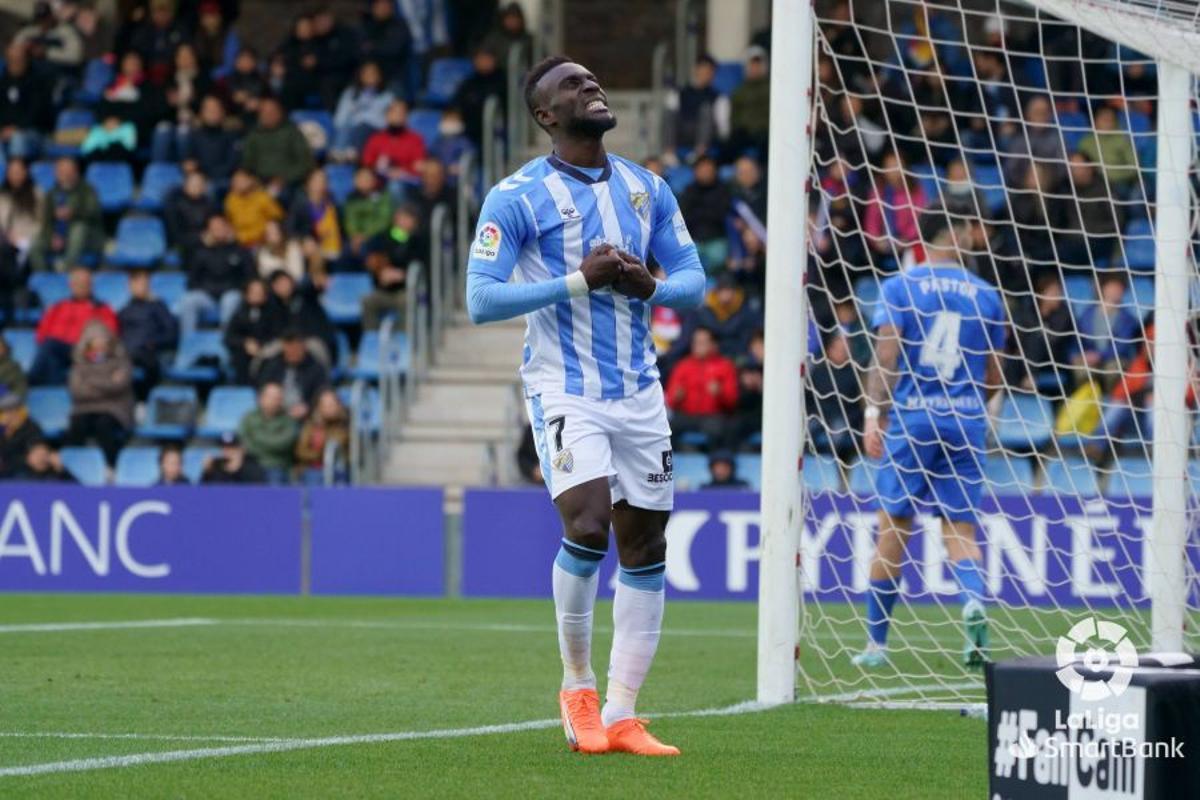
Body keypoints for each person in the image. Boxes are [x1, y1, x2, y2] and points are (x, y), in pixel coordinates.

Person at [465, 56, 704, 756]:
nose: (590, 86)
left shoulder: (645, 187)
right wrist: (579, 281)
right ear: (546, 116)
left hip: (639, 390)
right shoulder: (516, 196)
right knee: (590, 525)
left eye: (593, 78)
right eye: (571, 85)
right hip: (563, 386)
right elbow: (481, 298)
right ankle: (578, 690)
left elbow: (693, 280)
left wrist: (647, 286)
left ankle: (625, 714)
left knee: (645, 545)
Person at [855, 212, 1007, 670]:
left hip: (913, 419)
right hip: (966, 420)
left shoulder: (902, 286)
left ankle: (877, 646)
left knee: (894, 529)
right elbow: (996, 372)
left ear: (923, 238)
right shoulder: (986, 294)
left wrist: (872, 415)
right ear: (958, 235)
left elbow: (886, 357)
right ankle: (972, 603)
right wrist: (968, 403)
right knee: (959, 529)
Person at [29, 267, 118, 385]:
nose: (81, 286)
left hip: (87, 351)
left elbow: (111, 335)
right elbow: (41, 334)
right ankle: (57, 393)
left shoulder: (102, 308)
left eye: (85, 283)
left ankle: (31, 380)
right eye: (77, 283)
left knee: (50, 348)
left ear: (91, 285)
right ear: (71, 285)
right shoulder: (58, 307)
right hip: (59, 351)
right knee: (51, 357)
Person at [64, 321, 134, 466]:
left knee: (104, 425)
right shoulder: (79, 364)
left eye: (103, 341)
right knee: (77, 425)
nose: (100, 346)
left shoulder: (121, 362)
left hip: (113, 409)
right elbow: (77, 391)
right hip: (84, 408)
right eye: (95, 342)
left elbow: (118, 386)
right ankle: (73, 466)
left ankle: (111, 466)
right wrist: (106, 383)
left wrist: (90, 382)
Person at [179, 213, 256, 335]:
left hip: (231, 294)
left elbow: (250, 277)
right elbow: (192, 281)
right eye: (214, 228)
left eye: (221, 227)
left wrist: (237, 288)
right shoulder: (201, 252)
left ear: (228, 228)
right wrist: (209, 289)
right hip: (208, 296)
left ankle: (226, 340)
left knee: (230, 300)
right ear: (208, 231)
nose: (218, 231)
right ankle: (188, 342)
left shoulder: (240, 251)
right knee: (189, 300)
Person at [665, 327, 739, 451]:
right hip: (686, 416)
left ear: (713, 345)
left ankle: (717, 465)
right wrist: (676, 396)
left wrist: (719, 393)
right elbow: (671, 401)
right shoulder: (683, 366)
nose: (698, 346)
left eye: (703, 342)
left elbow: (732, 402)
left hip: (713, 416)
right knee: (667, 430)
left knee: (718, 430)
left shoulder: (725, 366)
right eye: (696, 342)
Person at [29, 157, 104, 272]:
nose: (64, 175)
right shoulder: (51, 194)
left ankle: (65, 270)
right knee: (35, 245)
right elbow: (47, 220)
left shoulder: (87, 190)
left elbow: (93, 212)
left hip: (87, 238)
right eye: (61, 172)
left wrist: (73, 213)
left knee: (78, 229)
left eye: (68, 171)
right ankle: (43, 277)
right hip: (58, 235)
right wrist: (52, 236)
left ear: (75, 172)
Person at [118, 268, 178, 397]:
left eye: (144, 284)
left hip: (149, 351)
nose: (142, 287)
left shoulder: (158, 307)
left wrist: (154, 342)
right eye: (137, 283)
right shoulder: (124, 311)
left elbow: (171, 334)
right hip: (126, 351)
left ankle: (145, 399)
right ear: (130, 286)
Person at [241, 97, 315, 196]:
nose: (268, 115)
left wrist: (284, 179)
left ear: (280, 112)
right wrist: (246, 177)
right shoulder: (254, 135)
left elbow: (306, 162)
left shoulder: (292, 132)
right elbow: (247, 163)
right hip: (259, 182)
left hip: (289, 184)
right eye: (264, 112)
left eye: (272, 111)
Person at [362, 204, 419, 330]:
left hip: (405, 290)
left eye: (408, 219)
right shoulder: (382, 238)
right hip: (384, 290)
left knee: (407, 302)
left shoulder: (418, 240)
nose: (404, 222)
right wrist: (380, 272)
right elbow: (369, 258)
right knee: (367, 301)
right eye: (402, 218)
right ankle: (373, 341)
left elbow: (422, 267)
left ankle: (404, 340)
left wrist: (402, 275)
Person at [254, 329, 329, 421]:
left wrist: (308, 406)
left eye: (296, 349)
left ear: (303, 347)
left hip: (307, 415)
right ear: (284, 347)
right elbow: (262, 387)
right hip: (276, 413)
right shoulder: (273, 365)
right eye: (290, 349)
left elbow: (322, 391)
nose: (293, 352)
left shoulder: (315, 368)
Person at [286, 169, 342, 287]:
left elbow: (341, 229)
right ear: (308, 184)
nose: (320, 184)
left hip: (331, 244)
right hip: (308, 244)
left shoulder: (333, 205)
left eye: (323, 181)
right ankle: (315, 284)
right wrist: (303, 240)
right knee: (314, 252)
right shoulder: (299, 205)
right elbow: (290, 229)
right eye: (316, 181)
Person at [667, 54, 728, 162]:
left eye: (708, 71)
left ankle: (700, 152)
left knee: (706, 109)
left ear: (713, 74)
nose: (704, 74)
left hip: (707, 146)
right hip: (682, 140)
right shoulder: (679, 94)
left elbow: (723, 129)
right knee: (670, 113)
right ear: (696, 70)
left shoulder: (719, 98)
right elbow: (670, 121)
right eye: (702, 70)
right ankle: (669, 153)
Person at [331, 61, 394, 162]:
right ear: (360, 76)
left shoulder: (387, 96)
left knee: (363, 126)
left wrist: (362, 117)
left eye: (373, 73)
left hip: (374, 129)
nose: (370, 76)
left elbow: (386, 121)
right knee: (345, 127)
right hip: (351, 128)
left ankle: (352, 153)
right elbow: (340, 119)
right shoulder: (350, 93)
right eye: (366, 73)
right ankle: (338, 153)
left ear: (380, 76)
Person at [0, 42, 52, 160]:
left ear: (26, 59)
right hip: (5, 131)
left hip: (33, 132)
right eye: (11, 59)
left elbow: (37, 113)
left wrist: (16, 128)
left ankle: (17, 173)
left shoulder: (38, 82)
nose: (15, 63)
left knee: (18, 138)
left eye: (19, 59)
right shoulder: (3, 82)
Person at [238, 381, 297, 484]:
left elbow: (281, 445)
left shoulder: (289, 421)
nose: (275, 401)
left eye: (278, 397)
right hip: (252, 463)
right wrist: (264, 446)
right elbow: (243, 441)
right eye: (271, 397)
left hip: (278, 466)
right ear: (261, 398)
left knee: (275, 481)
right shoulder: (249, 418)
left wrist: (256, 438)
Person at [450, 47, 506, 147]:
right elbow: (457, 102)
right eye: (480, 59)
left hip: (494, 127)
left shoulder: (502, 80)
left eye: (486, 59)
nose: (483, 62)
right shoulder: (469, 82)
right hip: (469, 127)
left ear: (493, 60)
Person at [361, 100, 427, 186]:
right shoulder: (376, 138)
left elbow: (418, 167)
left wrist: (401, 172)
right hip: (378, 179)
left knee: (395, 185)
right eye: (394, 112)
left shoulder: (416, 139)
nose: (397, 117)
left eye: (401, 113)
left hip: (404, 181)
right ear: (387, 115)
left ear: (406, 117)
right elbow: (367, 163)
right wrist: (378, 169)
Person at [224, 278, 277, 384]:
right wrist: (245, 343)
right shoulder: (239, 313)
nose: (256, 295)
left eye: (259, 292)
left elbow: (276, 335)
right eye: (253, 292)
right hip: (244, 352)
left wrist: (260, 345)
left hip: (267, 350)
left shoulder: (274, 312)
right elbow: (229, 337)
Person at [293, 388, 349, 483]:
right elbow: (300, 451)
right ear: (319, 407)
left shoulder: (345, 425)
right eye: (325, 405)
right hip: (310, 469)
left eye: (331, 404)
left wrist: (317, 453)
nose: (329, 408)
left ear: (338, 406)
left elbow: (335, 446)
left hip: (336, 469)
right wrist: (317, 455)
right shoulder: (310, 425)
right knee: (312, 475)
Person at [183, 95, 240, 186]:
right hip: (198, 179)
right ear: (201, 113)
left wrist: (206, 176)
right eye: (208, 109)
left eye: (215, 108)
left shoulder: (232, 135)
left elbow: (231, 165)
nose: (212, 112)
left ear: (223, 112)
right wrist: (188, 167)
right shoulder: (194, 134)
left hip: (223, 179)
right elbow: (189, 160)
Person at [360, 0, 412, 94]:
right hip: (372, 76)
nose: (383, 8)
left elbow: (394, 50)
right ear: (373, 8)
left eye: (386, 5)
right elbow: (361, 49)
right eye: (379, 5)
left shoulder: (399, 25)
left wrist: (373, 47)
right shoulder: (366, 25)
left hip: (394, 75)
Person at [164, 170, 217, 260]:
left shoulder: (209, 204)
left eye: (200, 184)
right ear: (185, 185)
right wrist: (199, 239)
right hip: (184, 245)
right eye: (194, 184)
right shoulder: (174, 206)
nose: (197, 187)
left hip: (207, 240)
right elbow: (175, 234)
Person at [225, 168, 284, 248]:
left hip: (261, 242)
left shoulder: (262, 197)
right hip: (240, 243)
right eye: (235, 181)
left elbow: (277, 218)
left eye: (241, 180)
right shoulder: (231, 200)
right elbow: (228, 221)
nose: (237, 183)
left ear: (250, 180)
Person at [0, 158, 44, 266]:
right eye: (11, 172)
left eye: (18, 172)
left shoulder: (36, 194)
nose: (15, 175)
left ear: (25, 173)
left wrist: (23, 238)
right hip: (4, 238)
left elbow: (42, 222)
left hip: (27, 239)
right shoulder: (2, 195)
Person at [343, 167, 392, 262]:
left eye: (367, 178)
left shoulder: (383, 196)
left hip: (378, 236)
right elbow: (349, 220)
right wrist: (355, 235)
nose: (363, 181)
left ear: (374, 181)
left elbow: (384, 221)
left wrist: (365, 236)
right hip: (356, 238)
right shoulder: (351, 198)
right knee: (345, 251)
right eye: (360, 178)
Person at [729, 46, 770, 157]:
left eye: (758, 65)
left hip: (764, 132)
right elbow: (734, 116)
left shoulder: (771, 89)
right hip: (744, 132)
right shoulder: (739, 91)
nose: (755, 68)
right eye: (752, 64)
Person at [0, 391, 42, 477]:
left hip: (23, 471)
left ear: (21, 411)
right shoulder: (2, 429)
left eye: (14, 411)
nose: (9, 415)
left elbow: (34, 456)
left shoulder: (32, 428)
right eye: (5, 412)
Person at [201, 430, 267, 484]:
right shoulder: (216, 467)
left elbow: (258, 490)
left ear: (241, 449)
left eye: (232, 447)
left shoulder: (251, 465)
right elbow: (202, 493)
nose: (227, 451)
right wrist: (207, 472)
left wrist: (238, 470)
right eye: (224, 447)